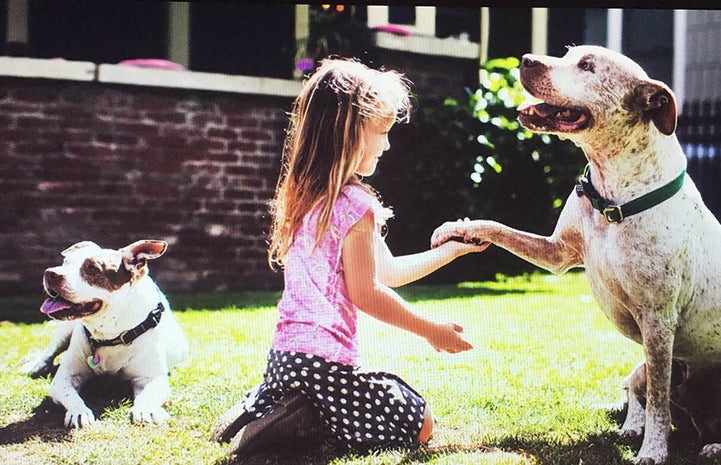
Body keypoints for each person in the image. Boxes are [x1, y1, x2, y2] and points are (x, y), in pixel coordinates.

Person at [211, 57, 487, 459]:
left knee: (337, 400)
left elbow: (387, 272)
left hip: (284, 362)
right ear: (348, 134)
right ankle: (306, 431)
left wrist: (452, 251)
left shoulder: (306, 198)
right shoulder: (357, 205)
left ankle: (270, 411)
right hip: (326, 368)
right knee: (421, 422)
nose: (388, 144)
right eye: (382, 132)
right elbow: (367, 292)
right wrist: (430, 329)